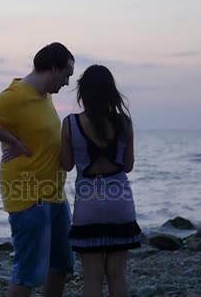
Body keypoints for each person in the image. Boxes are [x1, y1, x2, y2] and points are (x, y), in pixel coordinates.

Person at [0, 42, 75, 297]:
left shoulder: (44, 96)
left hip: (55, 194)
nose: (67, 83)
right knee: (28, 272)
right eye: (66, 74)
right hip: (29, 196)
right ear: (51, 68)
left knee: (61, 265)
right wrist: (13, 141)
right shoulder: (17, 95)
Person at [60, 64, 141, 297]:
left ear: (83, 93)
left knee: (92, 277)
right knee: (117, 275)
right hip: (120, 203)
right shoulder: (124, 123)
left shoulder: (71, 123)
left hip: (88, 206)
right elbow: (128, 165)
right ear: (111, 92)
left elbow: (66, 165)